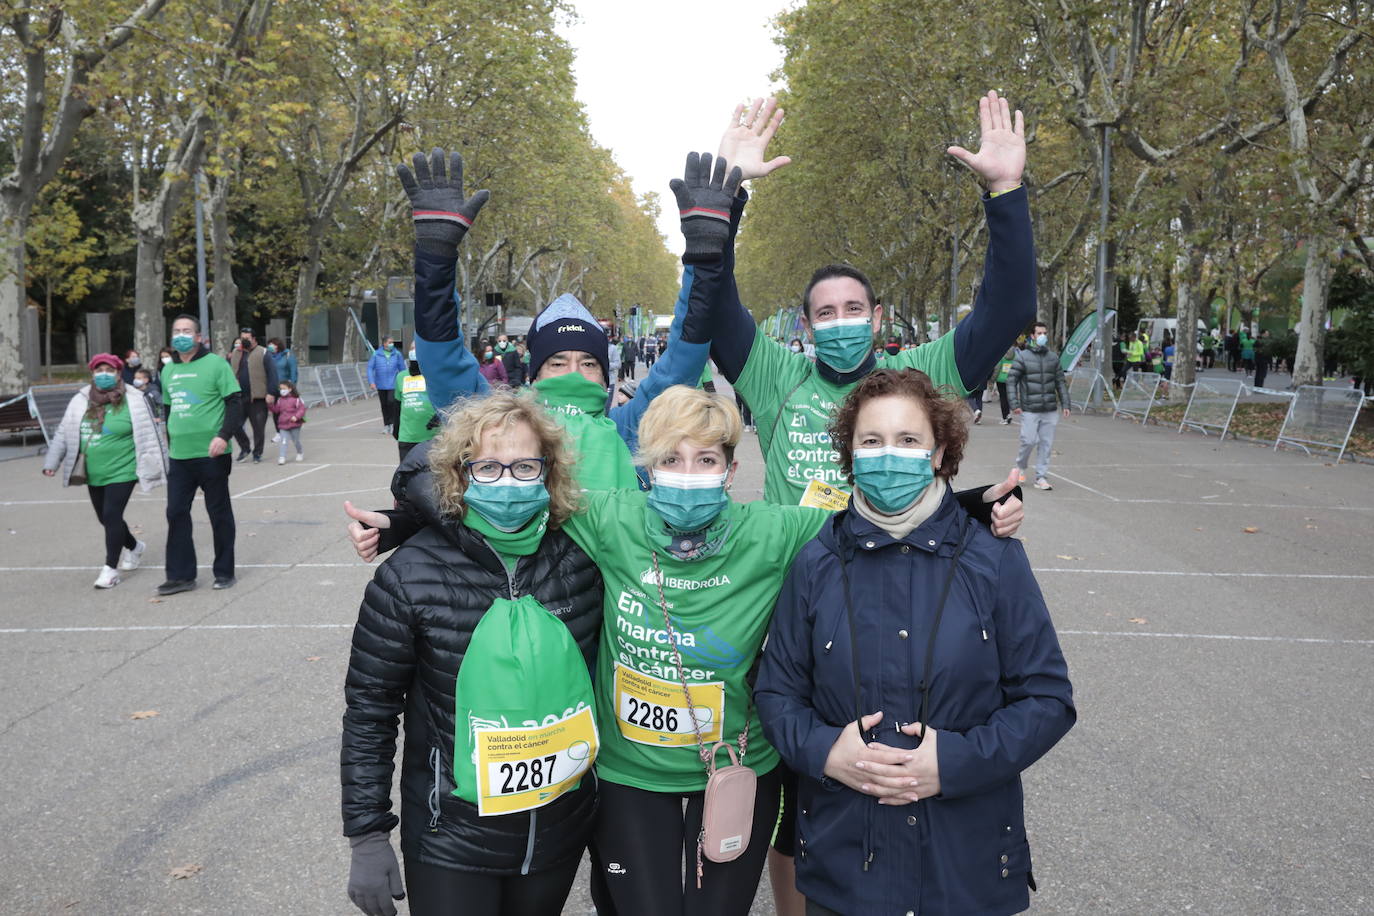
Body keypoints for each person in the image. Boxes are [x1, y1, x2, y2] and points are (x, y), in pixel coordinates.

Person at [707, 94, 1033, 912]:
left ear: (879, 317)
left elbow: (1004, 311)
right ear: (805, 328)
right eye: (825, 314)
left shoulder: (921, 373)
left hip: (907, 587)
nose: (841, 322)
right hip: (797, 599)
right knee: (796, 795)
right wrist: (729, 198)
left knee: (897, 767)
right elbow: (710, 312)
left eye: (856, 309)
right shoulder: (776, 377)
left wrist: (1006, 196)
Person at [755, 368, 1075, 916]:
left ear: (938, 451)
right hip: (844, 867)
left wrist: (954, 763)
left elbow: (1047, 701)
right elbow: (776, 694)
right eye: (871, 441)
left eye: (908, 440)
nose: (888, 455)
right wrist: (827, 752)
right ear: (850, 454)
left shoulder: (994, 561)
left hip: (966, 869)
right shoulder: (816, 563)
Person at [342, 390, 603, 916]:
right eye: (487, 467)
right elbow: (371, 712)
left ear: (548, 472)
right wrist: (367, 834)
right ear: (460, 475)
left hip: (556, 833)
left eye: (525, 466)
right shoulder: (407, 578)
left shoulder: (583, 556)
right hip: (451, 841)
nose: (508, 482)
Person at [41, 353, 167, 588]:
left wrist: (159, 465)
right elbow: (64, 430)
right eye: (99, 370)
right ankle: (134, 547)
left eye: (109, 370)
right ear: (92, 374)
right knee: (106, 518)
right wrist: (52, 462)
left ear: (119, 373)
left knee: (111, 514)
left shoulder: (135, 398)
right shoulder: (81, 399)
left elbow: (150, 434)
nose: (104, 374)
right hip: (92, 470)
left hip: (124, 468)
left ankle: (110, 569)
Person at [157, 314, 243, 594]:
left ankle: (224, 571)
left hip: (212, 454)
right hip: (180, 456)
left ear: (198, 337)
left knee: (218, 513)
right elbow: (169, 409)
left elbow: (234, 404)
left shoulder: (216, 364)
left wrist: (223, 436)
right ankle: (181, 576)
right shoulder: (167, 370)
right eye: (176, 330)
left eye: (187, 330)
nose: (181, 335)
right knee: (176, 512)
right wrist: (169, 440)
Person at [1008, 321, 1071, 492]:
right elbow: (1011, 380)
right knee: (1028, 441)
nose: (1043, 336)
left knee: (1046, 444)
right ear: (1033, 336)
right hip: (1029, 409)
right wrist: (1014, 403)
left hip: (1050, 409)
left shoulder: (1053, 358)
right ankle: (1020, 467)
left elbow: (1060, 382)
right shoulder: (1023, 357)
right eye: (1039, 333)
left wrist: (1066, 403)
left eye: (1045, 333)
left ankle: (1041, 477)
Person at [228, 327, 279, 463]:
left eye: (247, 338)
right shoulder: (235, 353)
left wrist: (271, 392)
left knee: (258, 427)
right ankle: (245, 448)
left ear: (254, 339)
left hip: (258, 397)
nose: (243, 341)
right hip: (239, 396)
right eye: (242, 338)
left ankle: (257, 453)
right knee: (235, 424)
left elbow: (272, 374)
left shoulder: (263, 352)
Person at [395, 347, 439, 462]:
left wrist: (438, 417)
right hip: (407, 436)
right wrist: (396, 428)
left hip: (430, 436)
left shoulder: (434, 375)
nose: (414, 351)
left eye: (417, 347)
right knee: (407, 474)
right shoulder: (401, 377)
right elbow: (396, 405)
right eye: (412, 348)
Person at [367, 337, 406, 436]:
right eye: (390, 342)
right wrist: (371, 382)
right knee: (384, 405)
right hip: (380, 384)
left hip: (393, 384)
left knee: (391, 402)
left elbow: (402, 369)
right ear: (384, 343)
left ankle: (393, 423)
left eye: (392, 342)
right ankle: (386, 425)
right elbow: (370, 368)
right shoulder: (376, 354)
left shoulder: (397, 354)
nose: (392, 344)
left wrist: (403, 382)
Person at [269, 379, 306, 464]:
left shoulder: (296, 399)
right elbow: (276, 410)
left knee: (296, 440)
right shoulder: (279, 400)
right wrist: (270, 404)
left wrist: (296, 417)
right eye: (281, 389)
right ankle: (282, 457)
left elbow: (302, 409)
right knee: (283, 441)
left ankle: (300, 452)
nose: (282, 391)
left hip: (295, 424)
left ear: (290, 389)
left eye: (284, 388)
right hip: (283, 424)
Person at [996, 347, 1016, 422]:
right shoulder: (1015, 356)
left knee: (1003, 398)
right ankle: (1009, 414)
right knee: (1009, 397)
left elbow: (997, 368)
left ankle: (1005, 416)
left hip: (1001, 379)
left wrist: (992, 379)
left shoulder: (1001, 356)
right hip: (1011, 379)